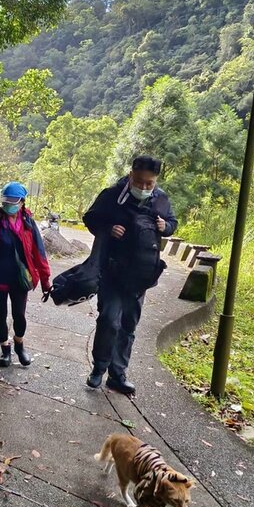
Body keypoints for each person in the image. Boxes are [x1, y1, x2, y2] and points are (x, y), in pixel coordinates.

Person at [83, 155, 177, 394]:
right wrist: (108, 228)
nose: (144, 187)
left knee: (128, 325)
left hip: (141, 275)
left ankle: (118, 374)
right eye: (140, 181)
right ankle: (98, 368)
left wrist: (164, 227)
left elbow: (172, 222)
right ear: (131, 175)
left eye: (150, 183)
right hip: (112, 272)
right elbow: (90, 218)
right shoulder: (113, 195)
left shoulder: (161, 199)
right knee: (109, 320)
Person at [0, 182, 51, 368]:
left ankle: (19, 345)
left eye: (13, 201)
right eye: (5, 201)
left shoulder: (28, 222)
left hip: (20, 278)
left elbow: (39, 251)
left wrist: (45, 280)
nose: (9, 205)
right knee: (0, 314)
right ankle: (5, 350)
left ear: (22, 202)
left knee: (19, 315)